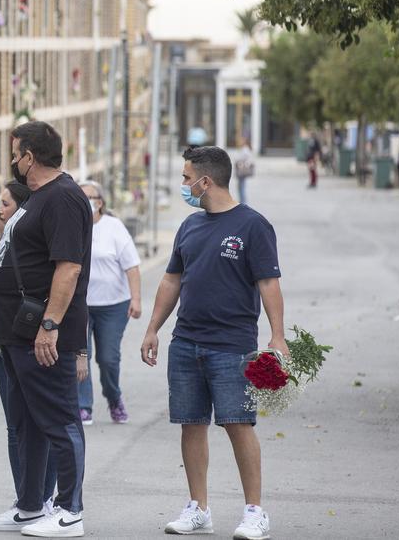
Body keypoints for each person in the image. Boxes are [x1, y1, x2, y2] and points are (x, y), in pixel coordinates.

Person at [0, 121, 91, 537]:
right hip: (16, 330)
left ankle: (70, 510)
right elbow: (11, 248)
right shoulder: (36, 199)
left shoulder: (63, 198)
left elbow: (69, 267)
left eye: (15, 153)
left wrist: (51, 325)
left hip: (42, 333)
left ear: (30, 156)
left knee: (59, 419)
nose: (13, 161)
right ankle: (31, 506)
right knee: (28, 422)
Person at [140, 146, 286, 540]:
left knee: (238, 425)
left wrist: (276, 336)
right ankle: (198, 508)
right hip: (186, 341)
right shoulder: (189, 226)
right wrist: (153, 328)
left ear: (206, 181)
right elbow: (172, 279)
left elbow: (268, 282)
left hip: (232, 345)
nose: (183, 185)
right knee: (191, 424)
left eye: (187, 178)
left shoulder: (254, 225)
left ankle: (255, 512)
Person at [0, 180, 60, 532]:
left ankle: (47, 498)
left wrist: (80, 351)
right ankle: (25, 500)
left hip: (33, 341)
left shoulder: (34, 250)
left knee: (43, 422)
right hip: (1, 345)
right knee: (17, 426)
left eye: (5, 204)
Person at [76, 181, 141, 426]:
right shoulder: (72, 226)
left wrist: (135, 298)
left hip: (113, 305)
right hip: (80, 305)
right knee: (81, 355)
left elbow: (132, 266)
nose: (84, 202)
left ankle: (114, 398)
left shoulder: (114, 227)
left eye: (89, 197)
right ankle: (83, 406)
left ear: (99, 202)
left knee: (107, 358)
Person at [233, 140, 254, 204]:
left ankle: (242, 201)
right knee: (241, 186)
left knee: (241, 186)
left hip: (242, 171)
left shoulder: (245, 149)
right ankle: (242, 200)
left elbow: (242, 158)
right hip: (243, 171)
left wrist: (239, 162)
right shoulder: (245, 149)